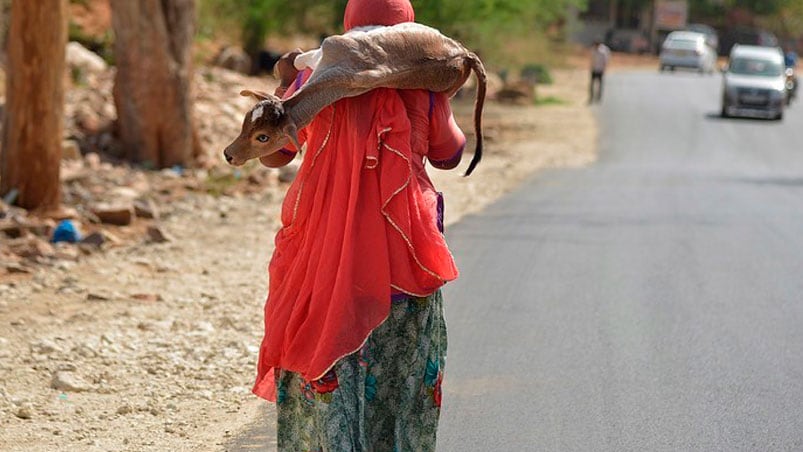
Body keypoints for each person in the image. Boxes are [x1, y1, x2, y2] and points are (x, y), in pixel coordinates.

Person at [253, 0, 467, 450]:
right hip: (403, 259)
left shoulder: (319, 81)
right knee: (399, 377)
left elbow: (274, 152)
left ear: (349, 28)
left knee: (327, 356)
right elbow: (449, 154)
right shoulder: (425, 87)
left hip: (325, 256)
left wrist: (286, 85)